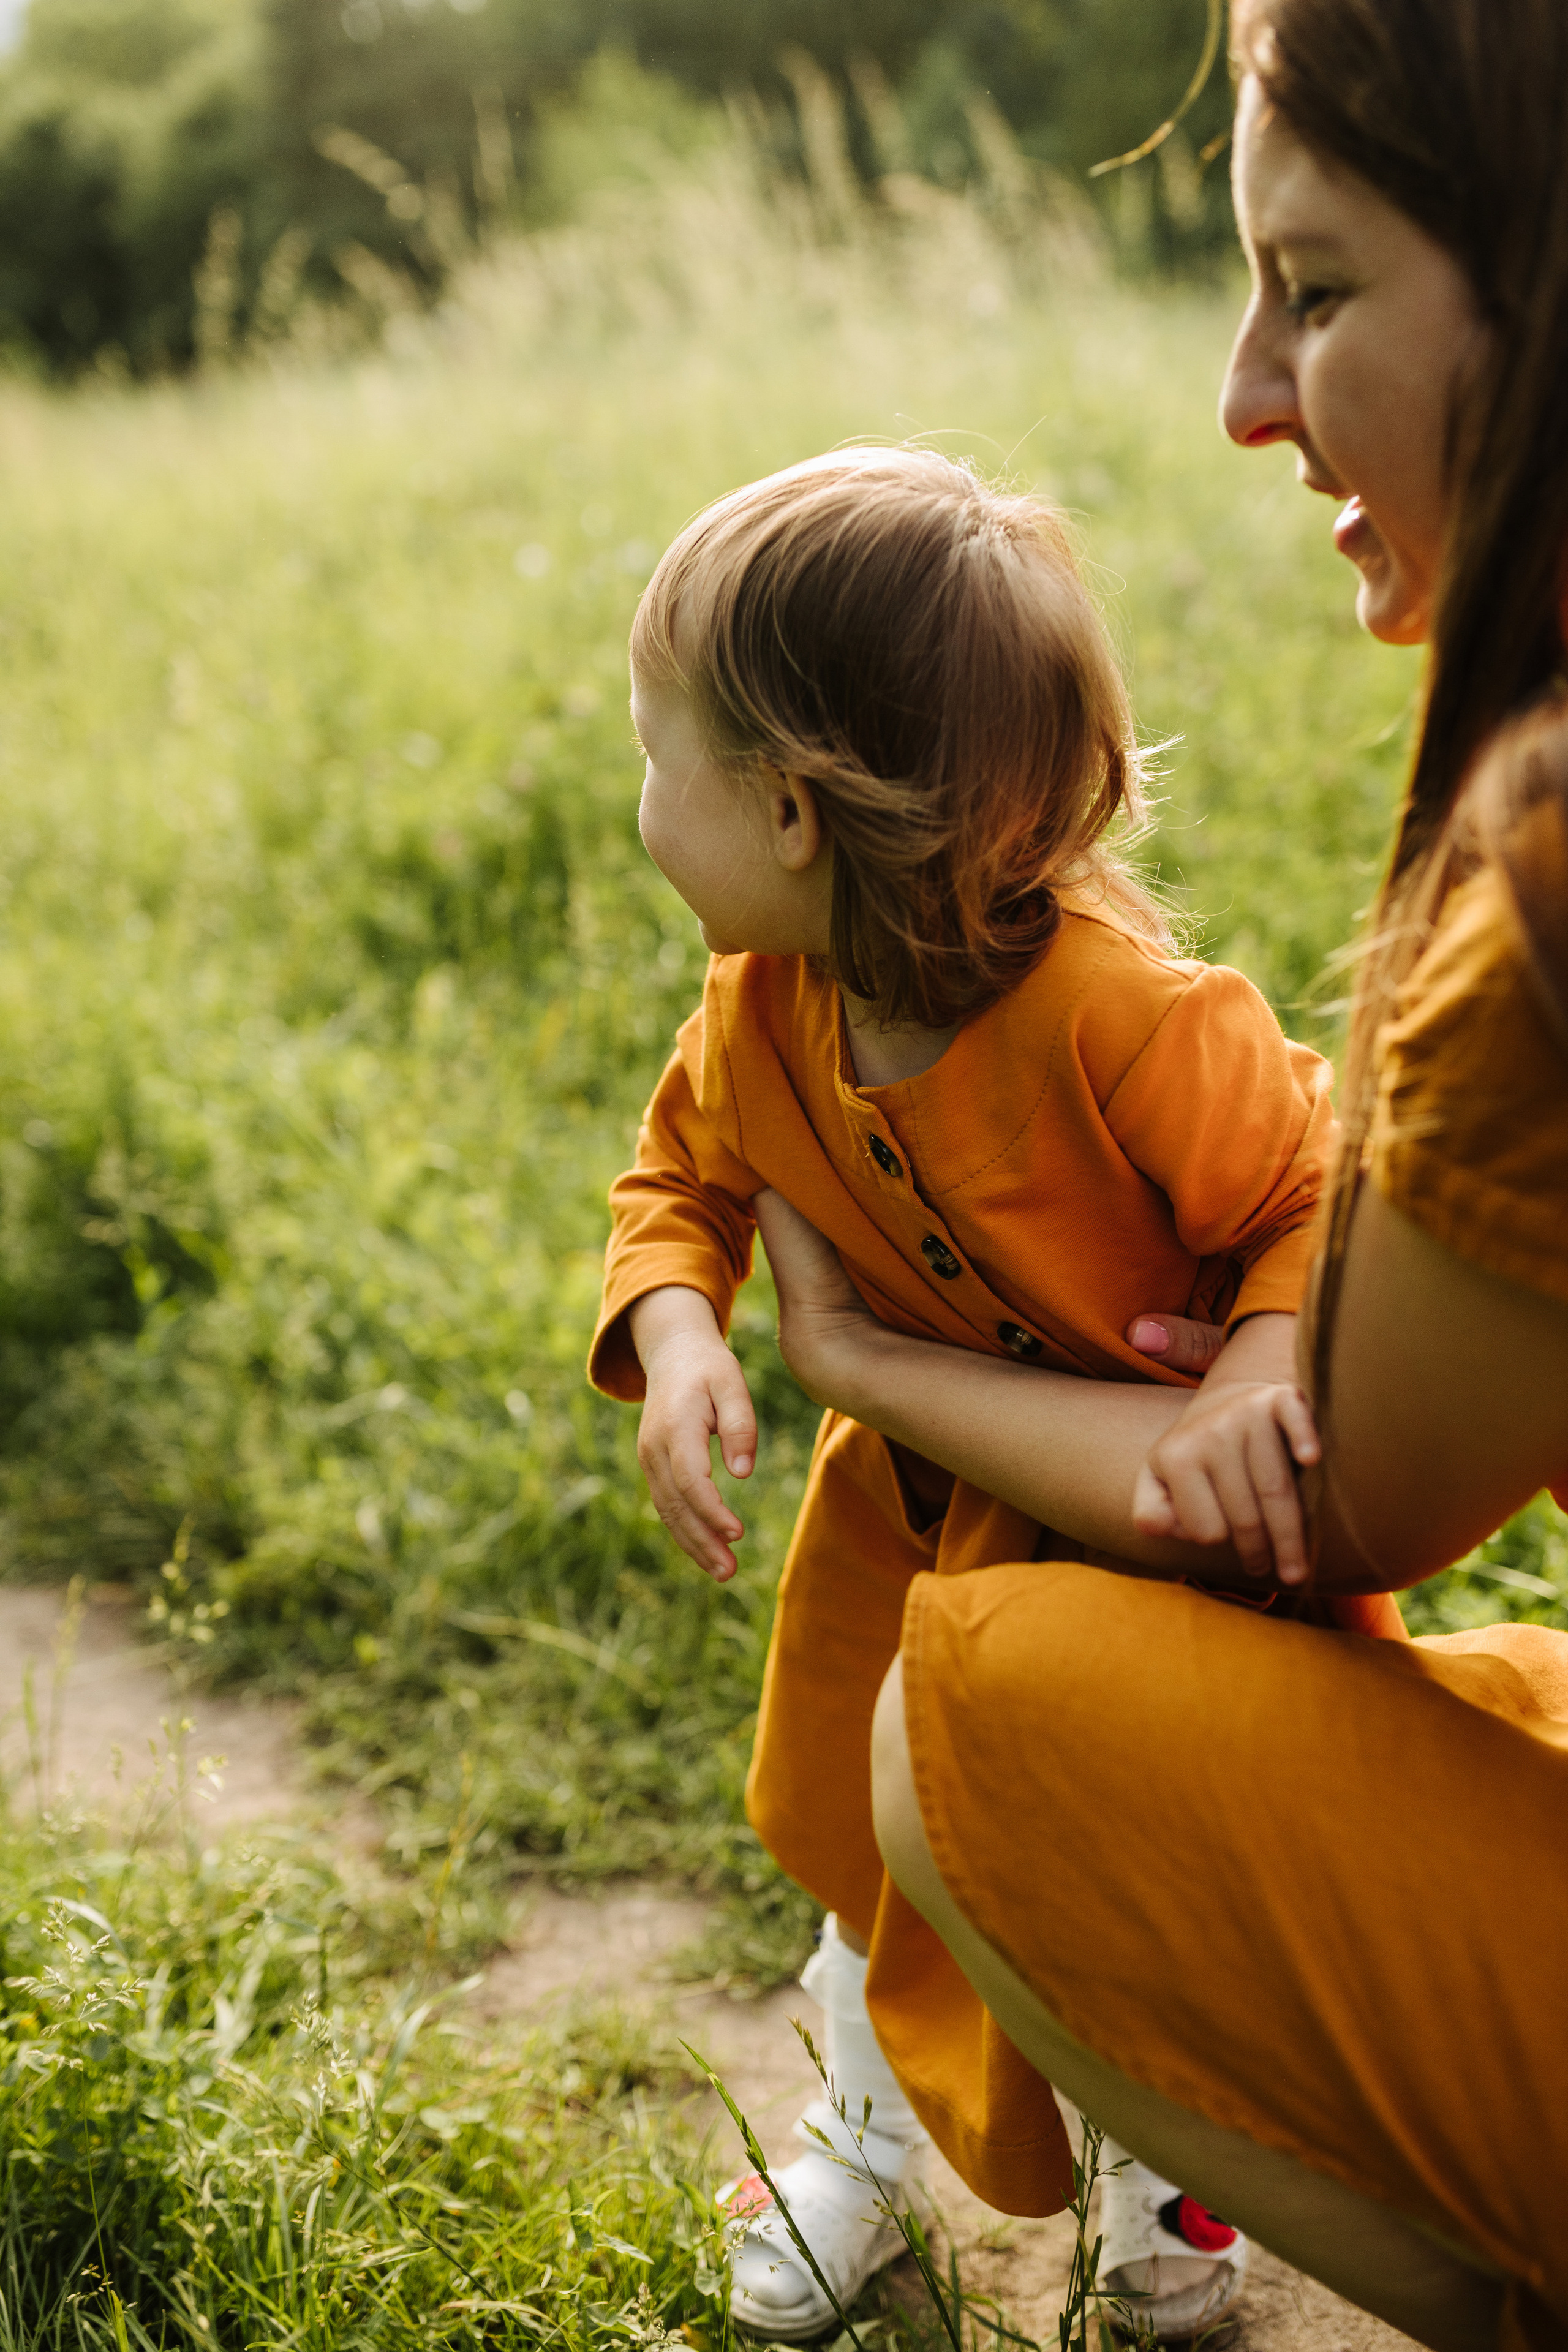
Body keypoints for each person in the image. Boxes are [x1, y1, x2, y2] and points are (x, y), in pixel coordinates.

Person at [748, 3, 1568, 2345]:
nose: (1243, 392)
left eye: (1317, 288)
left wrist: (859, 1363)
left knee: (977, 1717)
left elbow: (1305, 1509)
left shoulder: (1535, 872)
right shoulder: (769, 1023)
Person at [589, 445, 1355, 2337]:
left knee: (1138, 1880)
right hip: (904, 1535)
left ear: (788, 813)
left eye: (654, 758)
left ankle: (1166, 2190)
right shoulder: (759, 1012)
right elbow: (678, 1173)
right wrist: (677, 1331)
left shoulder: (1120, 1015)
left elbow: (1323, 1185)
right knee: (876, 1855)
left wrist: (1265, 1360)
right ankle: (856, 2149)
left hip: (1138, 1547)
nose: (637, 805)